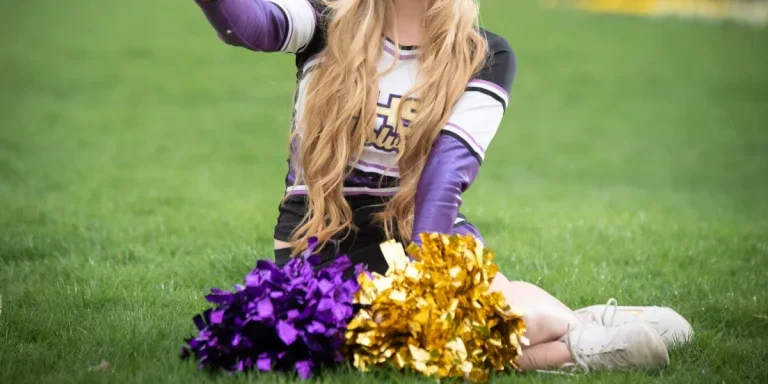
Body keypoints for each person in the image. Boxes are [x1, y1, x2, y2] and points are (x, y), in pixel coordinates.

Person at [194, 0, 692, 373]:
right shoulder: (325, 19)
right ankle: (586, 334)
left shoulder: (484, 54)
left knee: (449, 329)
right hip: (321, 244)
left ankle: (574, 333)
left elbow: (445, 174)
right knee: (396, 348)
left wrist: (432, 287)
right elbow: (250, 25)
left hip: (426, 234)